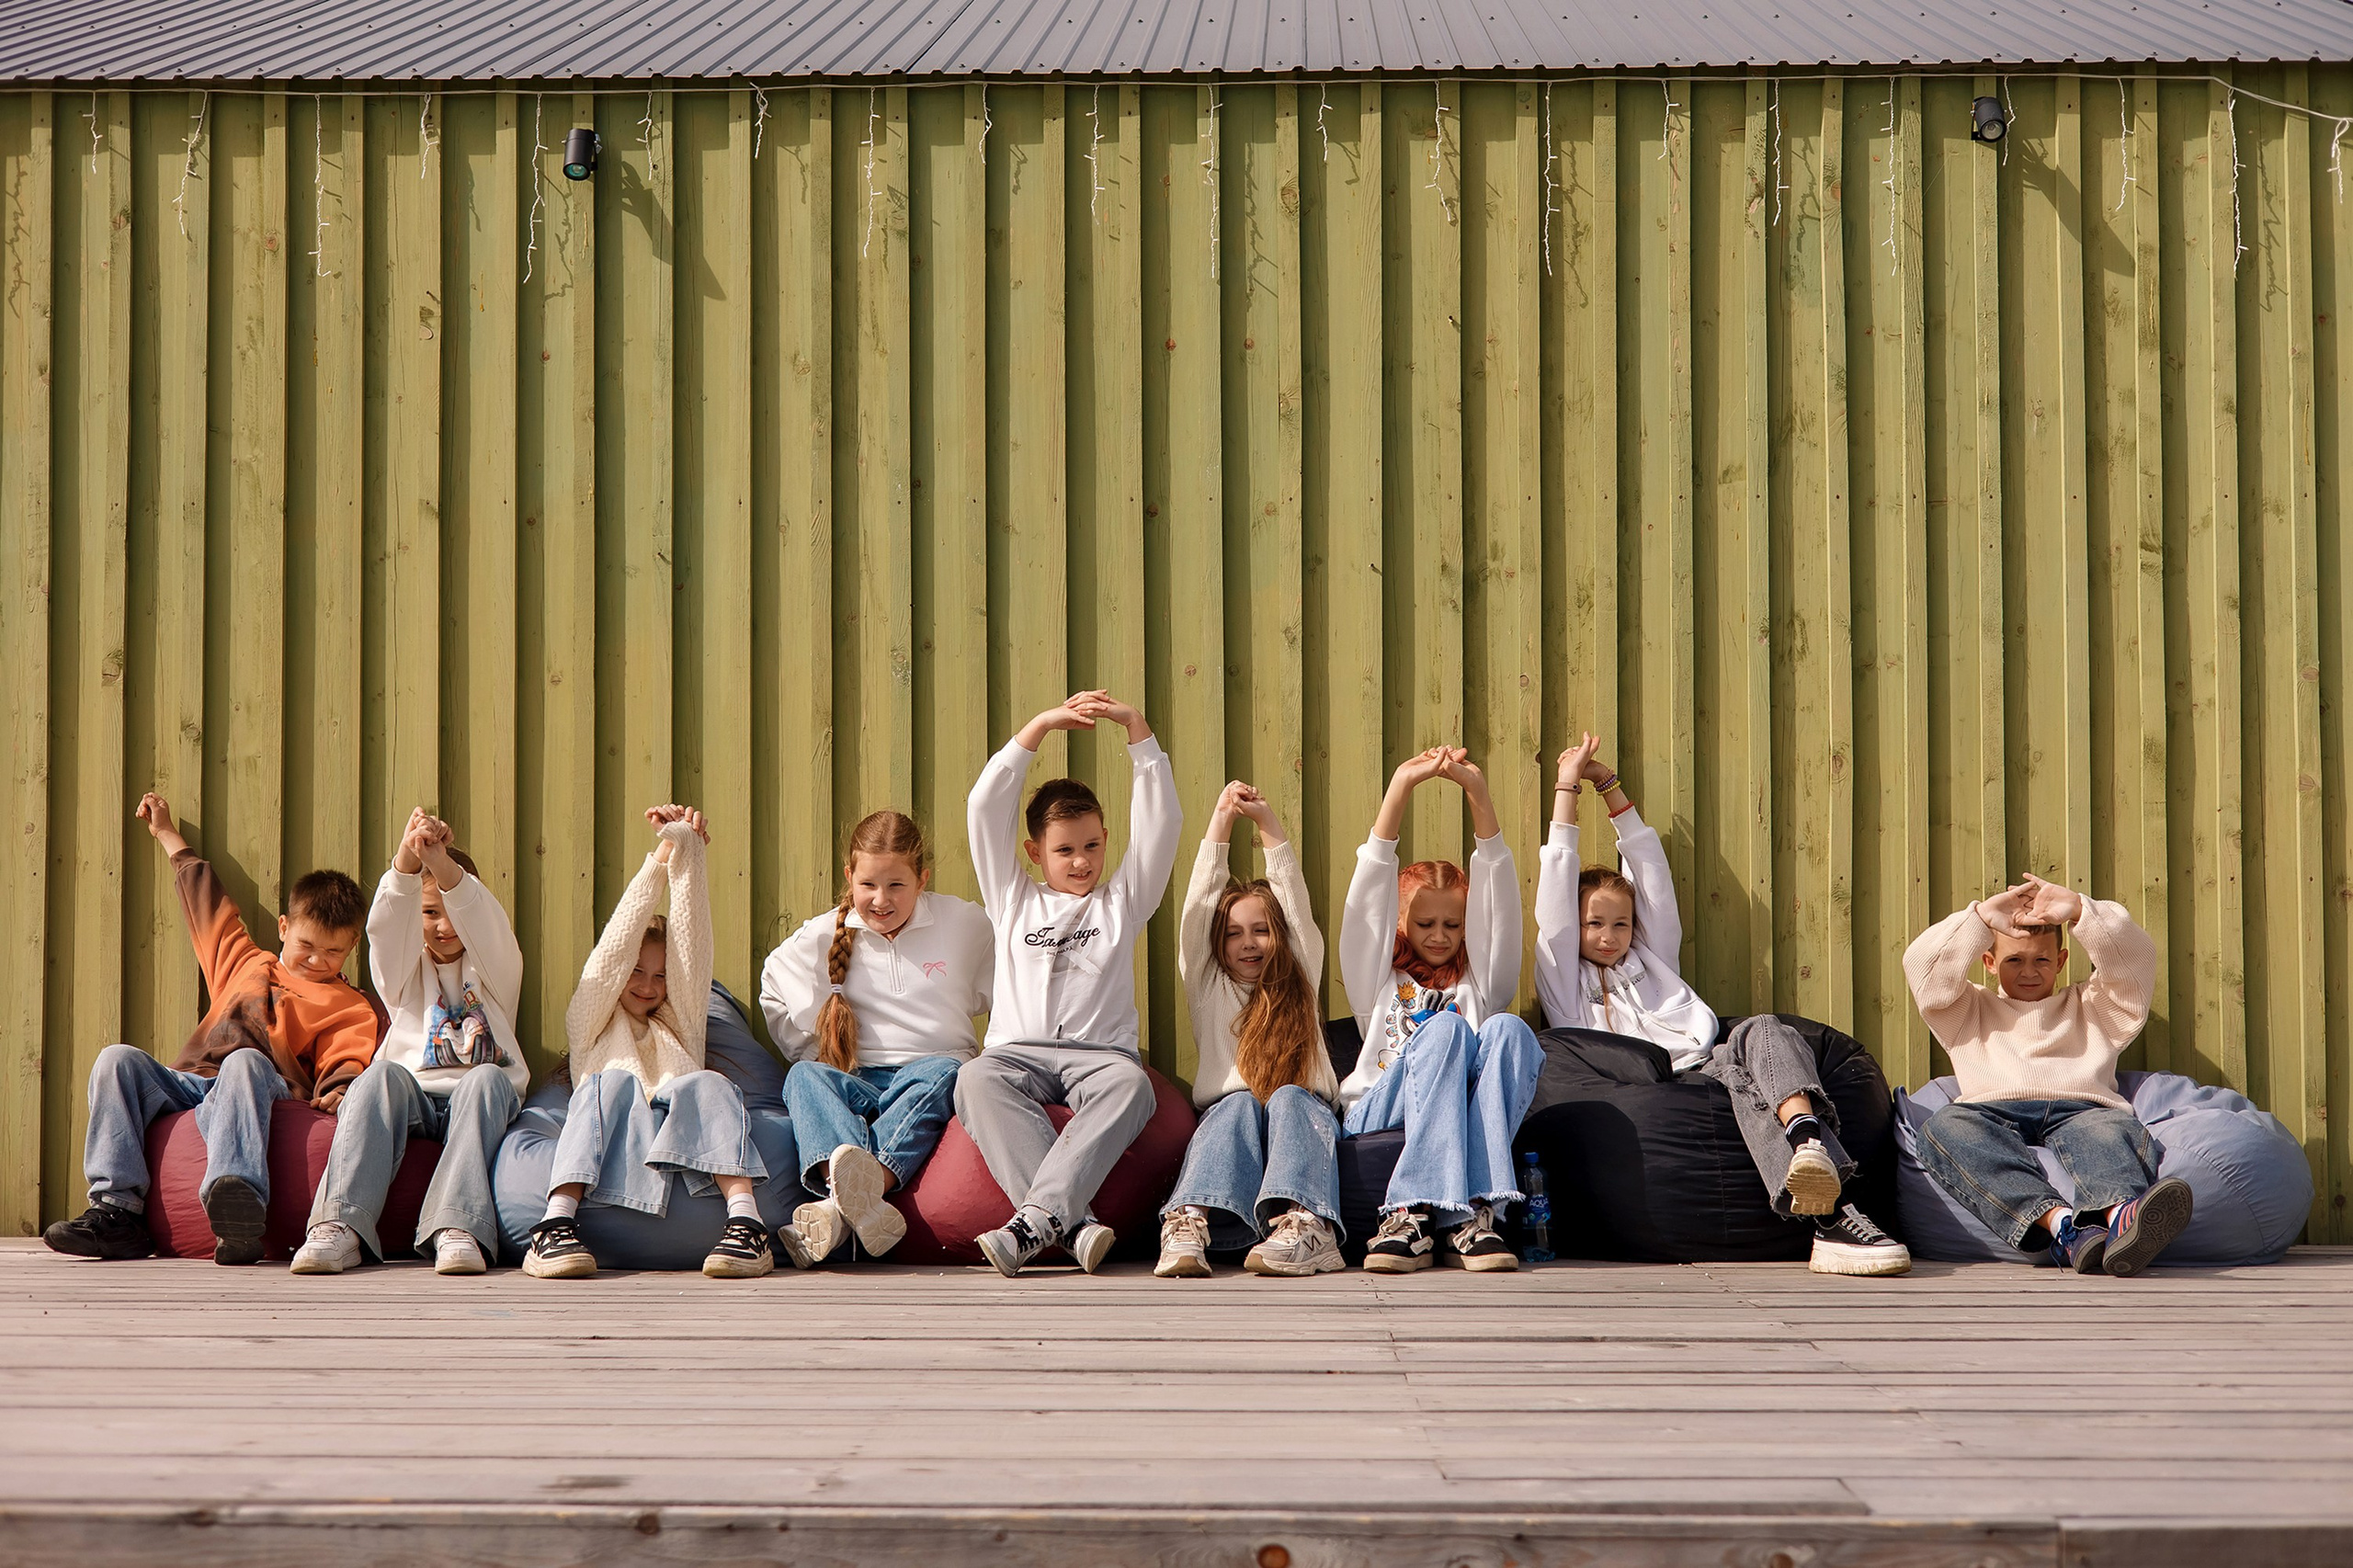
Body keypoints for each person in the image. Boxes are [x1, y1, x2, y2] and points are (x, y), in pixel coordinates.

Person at [1533, 734, 1910, 1277]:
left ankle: (1808, 1144)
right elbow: (1556, 884)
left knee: (1766, 1028)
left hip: (1706, 1063)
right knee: (1747, 1095)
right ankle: (1835, 1217)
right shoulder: (1562, 976)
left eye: (1621, 923)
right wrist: (1568, 786)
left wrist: (1611, 787)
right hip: (1643, 1085)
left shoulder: (1651, 956)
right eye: (1594, 923)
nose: (1610, 935)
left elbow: (1652, 877)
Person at [43, 792, 379, 1265]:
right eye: (307, 945)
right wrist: (165, 833)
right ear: (283, 927)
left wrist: (341, 1090)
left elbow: (346, 1057)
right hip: (192, 1084)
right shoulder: (244, 963)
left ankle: (236, 1206)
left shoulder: (349, 1004)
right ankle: (116, 1211)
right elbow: (206, 904)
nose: (317, 960)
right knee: (115, 1060)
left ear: (351, 947)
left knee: (245, 1060)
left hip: (266, 1087)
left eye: (334, 952)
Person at [956, 690, 1180, 1278]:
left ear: (1106, 839)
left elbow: (1162, 825)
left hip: (1098, 1058)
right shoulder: (1012, 899)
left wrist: (1137, 729)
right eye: (1063, 851)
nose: (1080, 861)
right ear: (1034, 852)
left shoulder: (1123, 901)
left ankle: (1036, 1223)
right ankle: (1069, 1224)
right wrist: (1042, 725)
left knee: (1134, 1086)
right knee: (973, 1078)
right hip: (1017, 1057)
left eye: (1091, 846)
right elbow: (984, 806)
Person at [523, 805, 779, 1281]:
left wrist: (689, 855)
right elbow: (611, 951)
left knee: (708, 1082)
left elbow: (693, 947)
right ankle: (554, 1224)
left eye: (660, 975)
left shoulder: (679, 1026)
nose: (647, 984)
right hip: (615, 1131)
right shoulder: (591, 1021)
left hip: (686, 1134)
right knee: (609, 1082)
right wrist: (661, 856)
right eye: (636, 972)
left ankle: (746, 1223)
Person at [1906, 874, 2192, 1277]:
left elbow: (2135, 960)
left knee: (2108, 1131)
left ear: (2059, 961)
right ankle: (2065, 1228)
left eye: (2041, 959)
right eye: (2013, 961)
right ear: (1988, 963)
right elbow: (1923, 969)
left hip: (2081, 1108)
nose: (2029, 972)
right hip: (1990, 1111)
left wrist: (2080, 910)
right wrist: (1980, 918)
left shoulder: (2095, 1007)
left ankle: (2120, 1216)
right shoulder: (1965, 1012)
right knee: (1945, 1127)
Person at [291, 809, 531, 1276]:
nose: (443, 926)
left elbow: (485, 922)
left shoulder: (498, 970)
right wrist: (406, 861)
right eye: (428, 913)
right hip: (416, 1097)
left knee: (486, 1078)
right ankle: (338, 1225)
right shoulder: (403, 973)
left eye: (450, 912)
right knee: (379, 1076)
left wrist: (442, 866)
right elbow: (384, 932)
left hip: (478, 1098)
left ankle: (457, 1228)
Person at [1337, 746, 1543, 1274]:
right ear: (1402, 922)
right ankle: (1408, 1213)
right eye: (1424, 923)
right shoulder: (1377, 979)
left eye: (1453, 926)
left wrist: (1479, 795)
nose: (1439, 936)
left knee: (1510, 1029)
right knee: (1448, 1030)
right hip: (1378, 1105)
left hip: (1463, 1107)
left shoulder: (1480, 981)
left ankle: (1472, 1214)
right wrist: (1400, 788)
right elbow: (1366, 904)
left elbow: (1499, 908)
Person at [760, 809, 993, 1267]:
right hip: (860, 1078)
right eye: (867, 885)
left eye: (897, 885)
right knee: (805, 1076)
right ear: (850, 876)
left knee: (947, 1071)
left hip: (929, 1073)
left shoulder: (966, 925)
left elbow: (1010, 986)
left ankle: (840, 1203)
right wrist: (812, 1050)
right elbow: (774, 984)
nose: (881, 900)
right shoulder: (822, 934)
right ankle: (856, 1196)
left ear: (922, 879)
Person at [1155, 782, 1344, 1279]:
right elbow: (1196, 911)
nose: (1249, 944)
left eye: (1260, 930)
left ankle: (1308, 1226)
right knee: (1235, 1102)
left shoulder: (1301, 974)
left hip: (1303, 1114)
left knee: (1288, 1097)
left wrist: (1268, 827)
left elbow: (1294, 902)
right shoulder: (1209, 984)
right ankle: (1190, 1223)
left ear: (1279, 935)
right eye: (1234, 933)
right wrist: (1220, 821)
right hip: (1233, 1164)